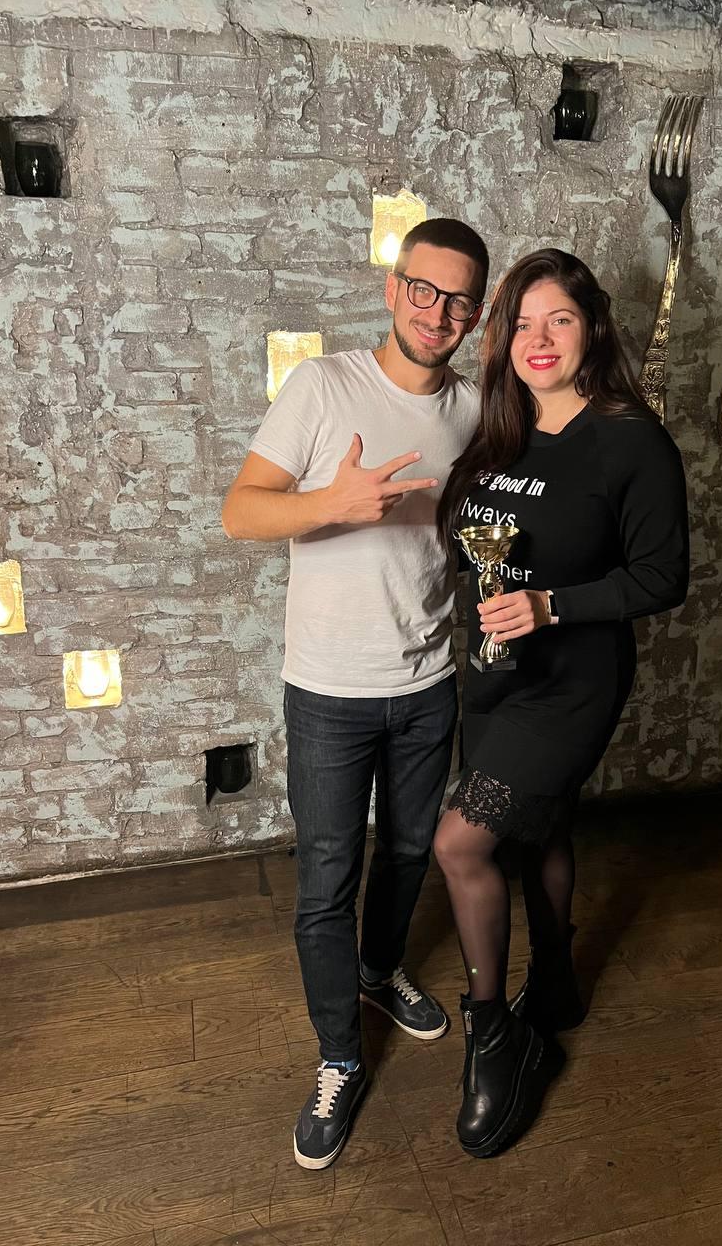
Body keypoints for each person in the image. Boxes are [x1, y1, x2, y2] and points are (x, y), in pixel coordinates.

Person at [222, 218, 488, 1170]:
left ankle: (379, 972)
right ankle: (340, 1057)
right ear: (392, 287)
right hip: (329, 690)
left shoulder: (474, 411)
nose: (438, 313)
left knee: (410, 852)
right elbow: (239, 510)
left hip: (428, 682)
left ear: (475, 315)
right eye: (424, 290)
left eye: (459, 301)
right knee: (327, 879)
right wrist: (331, 504)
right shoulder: (323, 386)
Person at [432, 248, 689, 1158]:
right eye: (523, 324)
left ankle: (495, 1035)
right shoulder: (498, 432)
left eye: (561, 321)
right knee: (540, 827)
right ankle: (555, 985)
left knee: (460, 843)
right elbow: (472, 547)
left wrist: (551, 606)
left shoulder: (630, 440)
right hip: (495, 674)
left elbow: (662, 577)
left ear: (592, 331)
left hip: (573, 680)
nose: (539, 340)